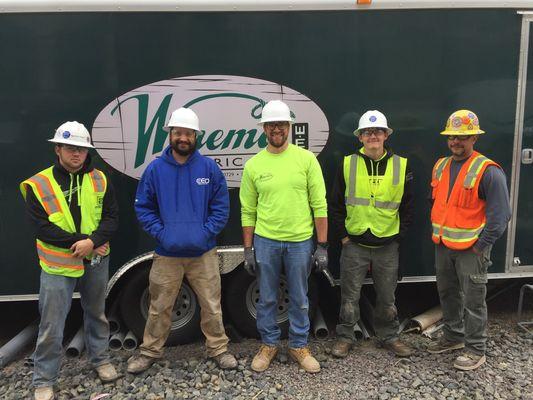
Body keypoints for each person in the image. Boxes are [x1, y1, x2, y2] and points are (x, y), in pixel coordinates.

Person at [127, 107, 237, 373]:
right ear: (170, 135)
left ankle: (219, 350)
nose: (183, 137)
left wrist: (204, 233)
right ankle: (150, 352)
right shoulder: (155, 170)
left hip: (203, 252)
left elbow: (221, 207)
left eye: (188, 133)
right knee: (159, 306)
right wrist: (163, 234)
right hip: (167, 253)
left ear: (196, 136)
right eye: (178, 132)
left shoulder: (208, 168)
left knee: (212, 305)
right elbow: (144, 207)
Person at [20, 121, 119, 400]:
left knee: (97, 314)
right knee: (52, 323)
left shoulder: (100, 179)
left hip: (96, 261)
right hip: (57, 265)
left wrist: (93, 241)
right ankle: (44, 379)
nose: (77, 154)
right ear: (58, 149)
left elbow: (112, 218)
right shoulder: (39, 184)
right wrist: (82, 243)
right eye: (71, 148)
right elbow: (42, 227)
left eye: (82, 149)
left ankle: (101, 360)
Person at [240, 100, 328, 374]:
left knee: (300, 298)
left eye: (281, 124)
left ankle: (298, 345)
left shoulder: (306, 159)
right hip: (265, 241)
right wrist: (247, 249)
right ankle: (269, 344)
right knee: (267, 297)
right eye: (271, 125)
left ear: (288, 127)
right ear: (264, 128)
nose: (277, 129)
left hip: (300, 241)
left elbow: (320, 204)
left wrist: (322, 245)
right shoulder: (254, 165)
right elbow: (248, 210)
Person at [427, 110, 511, 370]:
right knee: (448, 293)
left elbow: (501, 216)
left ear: (474, 137)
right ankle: (453, 337)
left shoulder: (488, 171)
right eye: (452, 136)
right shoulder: (441, 165)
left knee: (473, 300)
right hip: (443, 245)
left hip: (472, 249)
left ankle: (476, 349)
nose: (456, 142)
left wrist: (480, 246)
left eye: (462, 137)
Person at [330, 110, 415, 358]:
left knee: (387, 298)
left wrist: (398, 237)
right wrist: (344, 237)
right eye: (368, 132)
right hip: (354, 243)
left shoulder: (402, 165)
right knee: (349, 297)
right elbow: (334, 204)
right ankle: (345, 336)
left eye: (378, 131)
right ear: (360, 138)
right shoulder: (347, 163)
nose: (373, 136)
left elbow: (409, 206)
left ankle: (389, 336)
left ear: (386, 135)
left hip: (388, 245)